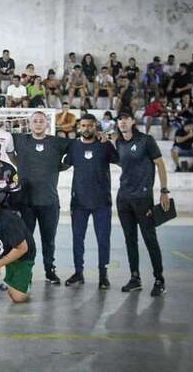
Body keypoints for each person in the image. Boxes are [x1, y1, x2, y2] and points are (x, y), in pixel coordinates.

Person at [115, 109, 169, 297]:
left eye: (125, 119)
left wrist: (163, 191)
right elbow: (124, 164)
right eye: (119, 119)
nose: (122, 122)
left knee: (149, 239)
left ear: (132, 121)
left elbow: (160, 165)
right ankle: (135, 278)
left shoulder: (146, 141)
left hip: (143, 199)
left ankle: (159, 279)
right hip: (123, 199)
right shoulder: (119, 142)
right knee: (130, 240)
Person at [13, 111, 70, 284]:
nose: (38, 124)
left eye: (41, 121)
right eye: (35, 121)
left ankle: (49, 270)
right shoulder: (20, 140)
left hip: (49, 202)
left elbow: (80, 146)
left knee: (48, 240)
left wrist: (61, 166)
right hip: (26, 203)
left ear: (47, 124)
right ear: (29, 124)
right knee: (25, 241)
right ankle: (25, 272)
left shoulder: (56, 142)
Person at [63, 114, 119, 289]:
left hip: (102, 202)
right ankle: (78, 273)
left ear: (96, 126)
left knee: (103, 241)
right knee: (77, 240)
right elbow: (64, 163)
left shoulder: (104, 145)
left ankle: (103, 275)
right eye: (83, 125)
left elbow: (120, 159)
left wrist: (110, 140)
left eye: (90, 126)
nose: (86, 129)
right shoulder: (74, 146)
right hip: (78, 202)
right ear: (79, 127)